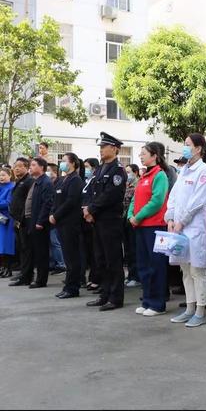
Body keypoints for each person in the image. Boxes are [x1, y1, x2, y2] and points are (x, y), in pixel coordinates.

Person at [166, 133, 206, 327]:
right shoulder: (184, 170)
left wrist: (182, 221)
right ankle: (189, 308)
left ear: (198, 148)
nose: (184, 147)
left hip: (194, 229)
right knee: (185, 269)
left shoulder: (204, 171)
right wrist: (170, 217)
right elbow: (174, 196)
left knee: (197, 270)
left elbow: (198, 201)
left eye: (188, 145)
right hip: (178, 228)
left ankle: (201, 311)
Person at [83, 132, 127, 311]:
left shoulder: (118, 170)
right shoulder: (100, 169)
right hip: (97, 219)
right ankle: (105, 294)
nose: (101, 150)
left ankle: (116, 298)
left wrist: (91, 209)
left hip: (110, 220)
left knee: (113, 260)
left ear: (114, 149)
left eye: (104, 146)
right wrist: (89, 210)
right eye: (100, 147)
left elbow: (111, 195)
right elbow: (93, 192)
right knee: (100, 259)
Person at [128, 142, 169, 317]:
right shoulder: (144, 176)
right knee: (143, 265)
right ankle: (147, 300)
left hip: (155, 226)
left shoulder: (160, 176)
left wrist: (138, 216)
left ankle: (157, 304)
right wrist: (130, 215)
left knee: (156, 266)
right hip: (140, 226)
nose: (140, 156)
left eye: (144, 153)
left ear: (154, 156)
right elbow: (133, 199)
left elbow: (157, 201)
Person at [49, 153, 84, 298]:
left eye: (64, 161)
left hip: (70, 223)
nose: (62, 163)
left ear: (73, 163)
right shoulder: (63, 179)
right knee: (67, 256)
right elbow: (55, 199)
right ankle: (68, 286)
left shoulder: (76, 180)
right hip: (61, 223)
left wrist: (56, 215)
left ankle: (72, 288)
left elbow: (71, 201)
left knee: (72, 257)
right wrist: (52, 213)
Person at [22, 157, 55, 288]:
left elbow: (47, 204)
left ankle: (41, 280)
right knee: (36, 251)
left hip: (39, 223)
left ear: (41, 167)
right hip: (32, 220)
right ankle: (37, 278)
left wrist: (41, 221)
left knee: (41, 253)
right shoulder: (37, 181)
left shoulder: (46, 182)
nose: (31, 167)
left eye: (34, 165)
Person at [8, 158, 34, 282]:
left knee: (26, 248)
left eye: (19, 166)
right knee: (21, 248)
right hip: (16, 220)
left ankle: (27, 275)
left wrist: (21, 219)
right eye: (15, 166)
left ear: (26, 167)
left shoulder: (29, 181)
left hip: (23, 221)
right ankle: (23, 273)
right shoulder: (19, 181)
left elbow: (28, 203)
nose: (16, 168)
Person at [81, 158, 101, 291]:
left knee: (96, 253)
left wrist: (89, 211)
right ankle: (92, 278)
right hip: (84, 217)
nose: (85, 169)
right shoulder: (87, 180)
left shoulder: (95, 179)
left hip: (92, 217)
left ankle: (97, 279)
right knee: (89, 251)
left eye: (87, 166)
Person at [47, 163, 66, 275]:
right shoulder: (50, 183)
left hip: (56, 216)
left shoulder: (60, 182)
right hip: (50, 216)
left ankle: (61, 264)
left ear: (54, 171)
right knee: (51, 242)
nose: (47, 172)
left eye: (48, 170)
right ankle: (53, 263)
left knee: (55, 242)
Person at [124, 164, 141, 287]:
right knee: (128, 250)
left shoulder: (138, 185)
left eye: (129, 172)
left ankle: (136, 276)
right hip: (124, 220)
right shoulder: (126, 185)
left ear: (135, 172)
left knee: (135, 250)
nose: (127, 174)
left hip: (134, 220)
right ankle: (130, 275)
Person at [0, 167, 15, 277]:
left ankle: (7, 268)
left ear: (10, 176)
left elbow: (8, 202)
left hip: (6, 219)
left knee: (6, 245)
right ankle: (2, 268)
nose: (1, 177)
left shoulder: (12, 187)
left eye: (4, 175)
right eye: (0, 175)